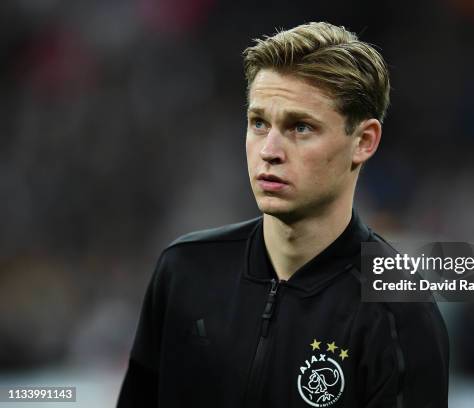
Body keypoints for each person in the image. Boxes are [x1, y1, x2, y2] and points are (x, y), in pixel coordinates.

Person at [117, 21, 449, 407]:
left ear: (363, 141)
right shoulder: (184, 271)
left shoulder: (398, 313)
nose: (269, 150)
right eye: (259, 123)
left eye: (300, 127)